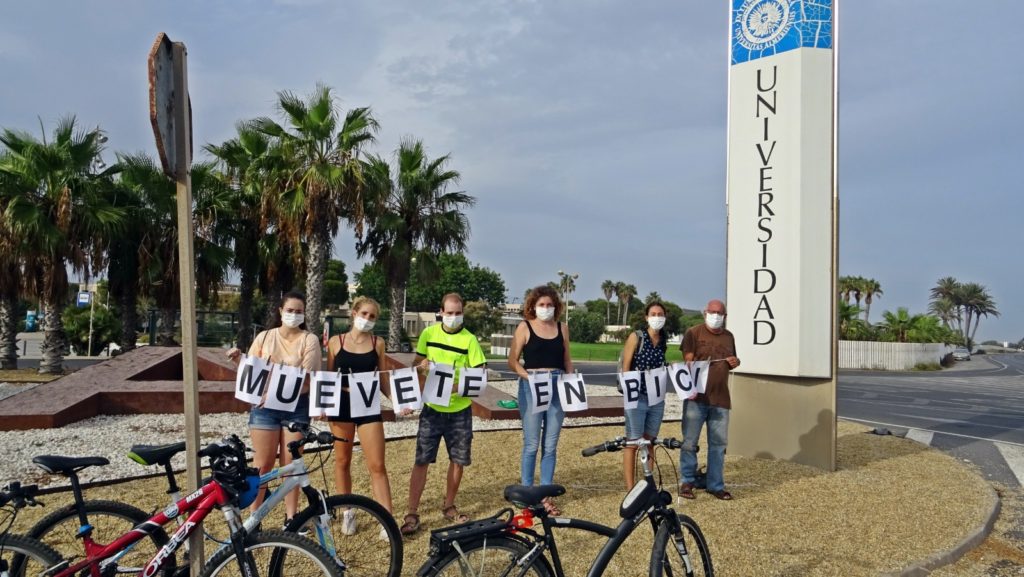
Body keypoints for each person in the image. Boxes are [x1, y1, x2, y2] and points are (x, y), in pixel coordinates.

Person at [227, 291, 321, 525]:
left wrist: (276, 392)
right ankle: (254, 518)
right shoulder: (265, 337)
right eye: (290, 310)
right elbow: (253, 369)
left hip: (297, 406)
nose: (294, 315)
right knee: (262, 464)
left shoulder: (310, 340)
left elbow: (307, 378)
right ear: (280, 311)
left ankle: (291, 518)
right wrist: (239, 360)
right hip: (264, 407)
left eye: (299, 311)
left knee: (291, 463)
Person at [400, 293, 486, 536]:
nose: (454, 317)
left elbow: (480, 376)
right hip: (432, 409)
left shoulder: (470, 340)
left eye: (458, 313)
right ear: (441, 312)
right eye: (449, 313)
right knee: (421, 460)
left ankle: (449, 505)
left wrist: (456, 388)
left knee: (458, 460)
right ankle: (412, 511)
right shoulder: (428, 335)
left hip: (459, 411)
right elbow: (416, 365)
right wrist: (421, 367)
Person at [325, 296, 393, 535]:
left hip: (367, 405)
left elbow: (383, 377)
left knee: (377, 464)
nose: (367, 319)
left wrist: (397, 402)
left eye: (372, 316)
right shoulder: (336, 342)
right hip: (341, 404)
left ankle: (387, 518)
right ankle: (348, 513)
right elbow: (329, 377)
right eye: (364, 314)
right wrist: (323, 406)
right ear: (354, 313)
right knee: (342, 461)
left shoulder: (378, 343)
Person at [508, 285, 573, 514]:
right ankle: (526, 491)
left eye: (550, 305)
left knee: (551, 444)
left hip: (556, 385)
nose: (546, 308)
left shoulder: (562, 328)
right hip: (532, 384)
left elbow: (567, 359)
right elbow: (513, 360)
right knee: (532, 443)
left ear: (556, 307)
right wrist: (528, 377)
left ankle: (545, 494)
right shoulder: (525, 327)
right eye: (541, 305)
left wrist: (570, 382)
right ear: (533, 306)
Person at [678, 299, 740, 501]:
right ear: (705, 313)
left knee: (718, 445)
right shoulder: (693, 333)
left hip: (721, 399)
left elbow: (732, 361)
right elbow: (687, 360)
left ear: (725, 316)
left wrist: (734, 362)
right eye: (712, 312)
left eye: (719, 313)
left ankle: (715, 485)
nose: (715, 315)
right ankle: (687, 481)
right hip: (696, 398)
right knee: (689, 442)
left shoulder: (729, 337)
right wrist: (692, 361)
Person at [620, 301, 668, 489]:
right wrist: (629, 394)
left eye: (660, 314)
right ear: (646, 317)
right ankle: (630, 488)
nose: (657, 317)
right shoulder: (636, 337)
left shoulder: (663, 339)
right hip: (637, 396)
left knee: (650, 441)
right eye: (653, 314)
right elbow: (626, 366)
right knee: (633, 441)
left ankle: (648, 483)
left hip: (656, 398)